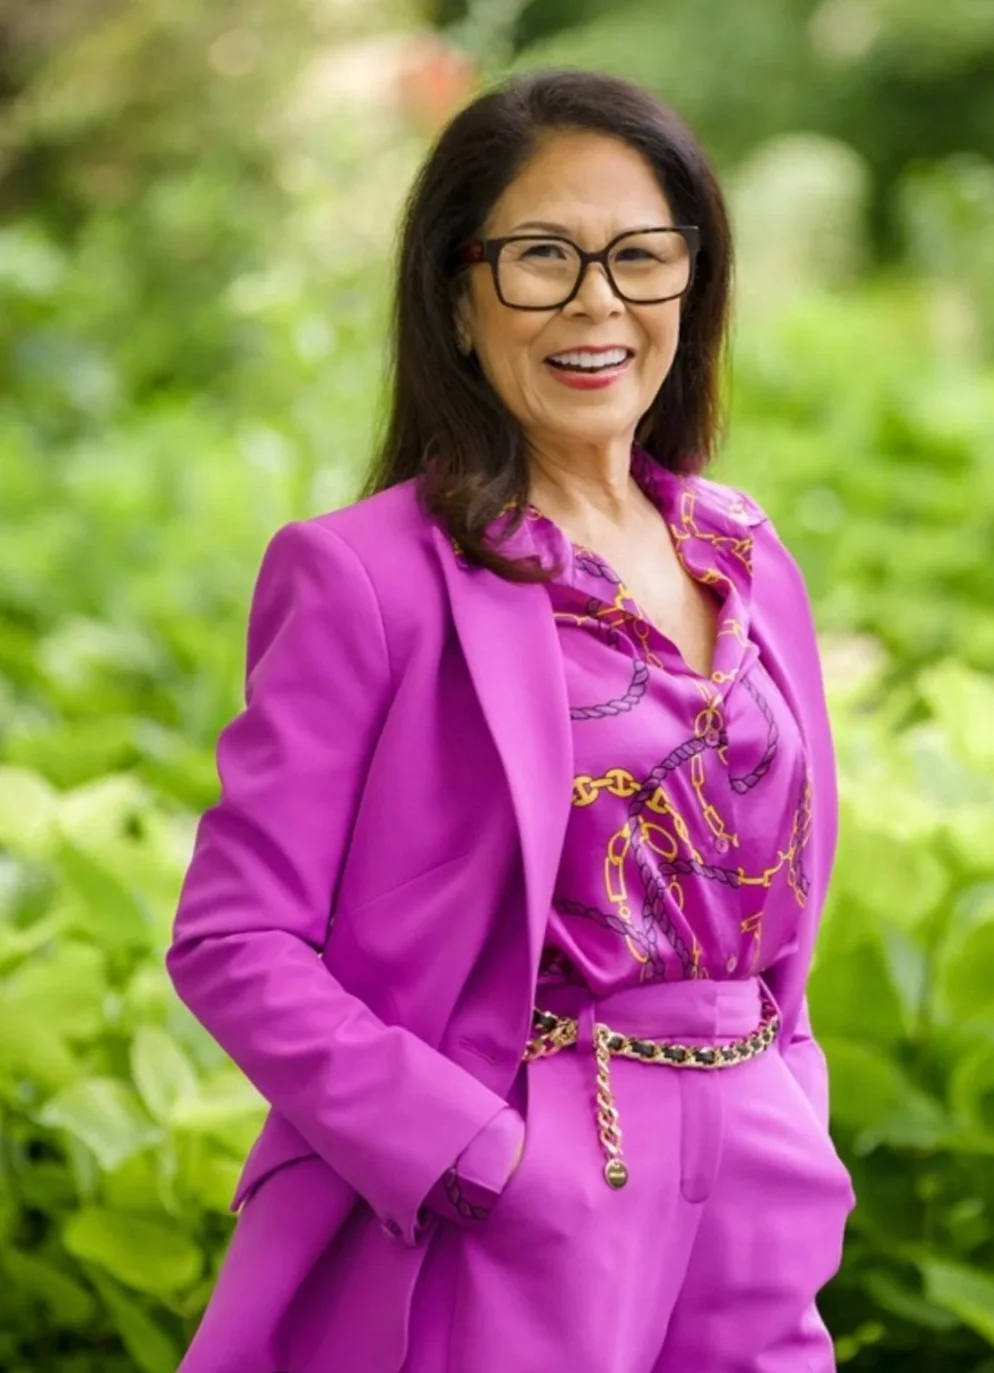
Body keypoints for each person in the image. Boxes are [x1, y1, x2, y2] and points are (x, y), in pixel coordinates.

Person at [165, 67, 856, 1373]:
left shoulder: (745, 553)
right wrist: (469, 1151)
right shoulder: (365, 577)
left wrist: (792, 1109)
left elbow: (782, 901)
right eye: (543, 256)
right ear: (457, 296)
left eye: (640, 256)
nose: (597, 302)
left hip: (758, 1182)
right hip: (523, 1184)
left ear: (692, 282)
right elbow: (234, 938)